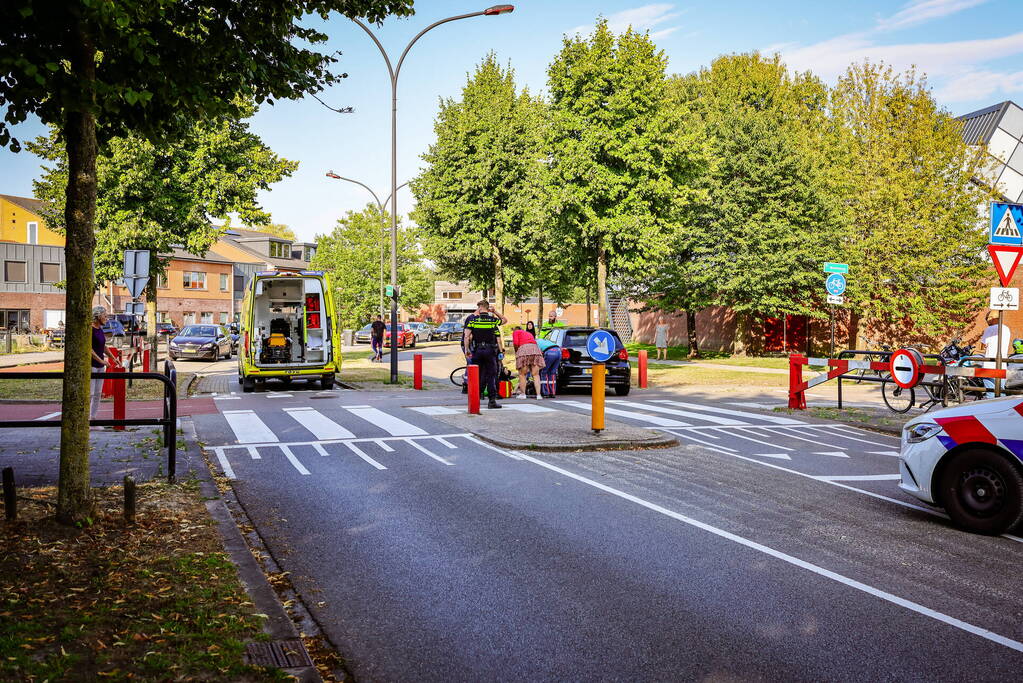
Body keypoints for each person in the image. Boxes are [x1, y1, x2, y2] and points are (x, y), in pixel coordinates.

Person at [463, 300, 508, 409]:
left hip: (477, 350)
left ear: (479, 308)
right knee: (491, 375)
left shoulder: (473, 320)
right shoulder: (492, 320)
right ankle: (491, 401)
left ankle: (476, 398)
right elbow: (505, 320)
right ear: (488, 309)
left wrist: (466, 350)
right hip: (490, 351)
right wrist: (495, 312)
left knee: (478, 375)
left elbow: (466, 336)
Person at [89, 306, 120, 428]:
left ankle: (93, 419)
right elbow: (89, 349)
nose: (106, 319)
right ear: (97, 316)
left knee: (97, 393)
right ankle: (86, 420)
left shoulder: (100, 329)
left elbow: (104, 346)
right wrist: (101, 361)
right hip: (92, 365)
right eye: (105, 316)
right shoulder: (90, 330)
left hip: (100, 366)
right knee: (90, 393)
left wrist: (113, 358)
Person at [980, 311, 1011, 397]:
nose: (987, 321)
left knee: (991, 394)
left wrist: (983, 335)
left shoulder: (989, 329)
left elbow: (982, 346)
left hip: (989, 366)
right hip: (1002, 365)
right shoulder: (1006, 329)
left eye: (987, 318)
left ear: (992, 318)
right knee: (1001, 393)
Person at [511, 326, 545, 399]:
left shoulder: (516, 332)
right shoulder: (528, 333)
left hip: (524, 349)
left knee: (522, 374)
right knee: (536, 374)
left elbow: (516, 343)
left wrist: (517, 352)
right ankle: (538, 395)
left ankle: (523, 394)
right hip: (535, 349)